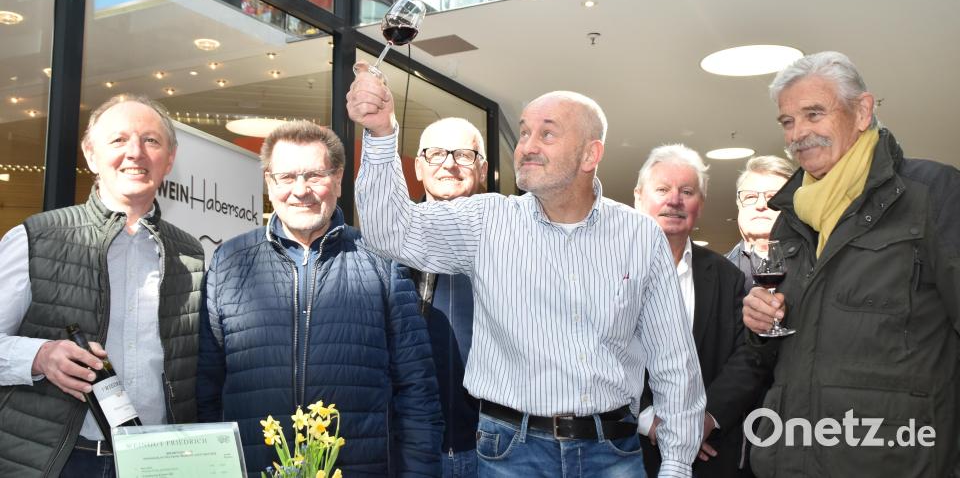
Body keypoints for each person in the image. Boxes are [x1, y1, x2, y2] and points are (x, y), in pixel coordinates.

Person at [348, 62, 706, 477]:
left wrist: (677, 464)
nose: (527, 146)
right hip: (511, 455)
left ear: (591, 154)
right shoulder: (486, 221)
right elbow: (389, 232)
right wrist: (380, 133)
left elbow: (674, 360)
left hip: (612, 453)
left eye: (547, 133)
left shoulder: (640, 236)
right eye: (524, 132)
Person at [741, 51, 960, 477]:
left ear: (862, 111)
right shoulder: (790, 218)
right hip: (791, 457)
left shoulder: (933, 194)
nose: (799, 133)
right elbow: (782, 354)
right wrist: (760, 330)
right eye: (788, 122)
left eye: (814, 114)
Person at [196, 121, 442, 477]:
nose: (301, 190)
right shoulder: (229, 262)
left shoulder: (381, 261)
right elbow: (208, 388)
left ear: (339, 179)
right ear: (269, 182)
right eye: (286, 177)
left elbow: (417, 389)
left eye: (315, 175)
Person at [0, 94, 205, 477]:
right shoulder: (36, 238)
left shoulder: (190, 254)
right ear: (91, 155)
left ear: (170, 159)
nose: (135, 153)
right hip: (58, 461)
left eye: (151, 141)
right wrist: (40, 356)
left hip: (156, 461)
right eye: (118, 140)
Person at [634, 145, 772, 478]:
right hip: (629, 453)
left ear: (701, 204)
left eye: (687, 191)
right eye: (663, 189)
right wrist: (649, 420)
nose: (675, 200)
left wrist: (703, 420)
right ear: (639, 197)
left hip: (710, 454)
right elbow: (595, 350)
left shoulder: (728, 276)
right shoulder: (608, 270)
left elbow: (748, 357)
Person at [412, 118, 488, 477]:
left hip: (497, 449)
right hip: (414, 450)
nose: (449, 164)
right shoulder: (389, 245)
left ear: (483, 169)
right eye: (436, 153)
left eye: (463, 154)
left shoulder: (514, 244)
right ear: (418, 166)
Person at [725, 156, 793, 295]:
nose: (761, 205)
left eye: (772, 197)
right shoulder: (717, 271)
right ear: (739, 205)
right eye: (750, 197)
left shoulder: (814, 263)